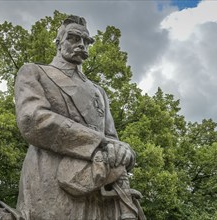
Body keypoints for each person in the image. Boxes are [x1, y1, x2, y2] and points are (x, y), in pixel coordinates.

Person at [15, 15, 145, 220]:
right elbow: (32, 120)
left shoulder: (98, 91)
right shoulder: (35, 72)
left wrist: (124, 151)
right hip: (52, 179)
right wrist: (98, 142)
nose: (81, 45)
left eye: (86, 41)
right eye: (74, 38)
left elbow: (112, 137)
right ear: (59, 43)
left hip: (99, 183)